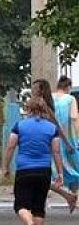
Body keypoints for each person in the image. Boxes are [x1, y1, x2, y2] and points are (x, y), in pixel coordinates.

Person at [3, 89, 69, 225]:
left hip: (24, 171)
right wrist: (60, 173)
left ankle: (30, 224)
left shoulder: (19, 126)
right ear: (44, 110)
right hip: (44, 171)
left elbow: (11, 146)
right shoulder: (51, 128)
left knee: (20, 205)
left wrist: (5, 167)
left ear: (28, 109)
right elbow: (56, 151)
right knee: (39, 207)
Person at [30, 77, 79, 210]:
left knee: (44, 172)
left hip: (45, 142)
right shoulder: (67, 100)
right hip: (59, 141)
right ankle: (71, 196)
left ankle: (46, 198)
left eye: (34, 88)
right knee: (70, 170)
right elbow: (68, 120)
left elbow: (51, 122)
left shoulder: (45, 101)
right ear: (68, 87)